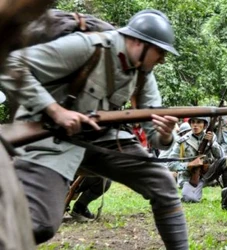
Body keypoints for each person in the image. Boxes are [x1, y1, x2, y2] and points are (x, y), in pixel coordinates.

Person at [0, 9, 188, 248]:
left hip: (102, 139)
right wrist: (56, 111)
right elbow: (9, 65)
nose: (162, 59)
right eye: (159, 51)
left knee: (163, 185)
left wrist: (165, 134)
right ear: (138, 43)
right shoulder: (87, 47)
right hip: (52, 138)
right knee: (40, 224)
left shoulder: (143, 73)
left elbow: (154, 135)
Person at [167, 116, 227, 209]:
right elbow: (170, 164)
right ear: (190, 124)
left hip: (208, 173)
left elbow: (221, 156)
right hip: (190, 177)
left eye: (199, 122)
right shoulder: (182, 141)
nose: (195, 125)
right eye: (193, 122)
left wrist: (212, 143)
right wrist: (189, 164)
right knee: (189, 199)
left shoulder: (211, 137)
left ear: (205, 125)